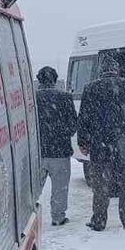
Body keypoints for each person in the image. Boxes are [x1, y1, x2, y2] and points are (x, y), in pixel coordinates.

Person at [77, 53, 125, 231]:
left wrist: (83, 141)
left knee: (101, 188)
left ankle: (99, 221)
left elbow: (83, 117)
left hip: (100, 147)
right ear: (117, 70)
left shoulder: (90, 89)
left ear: (101, 71)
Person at [35, 66, 80, 225]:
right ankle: (58, 217)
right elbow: (73, 124)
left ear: (39, 80)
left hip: (37, 152)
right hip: (60, 151)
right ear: (55, 80)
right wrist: (63, 133)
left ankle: (28, 216)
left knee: (32, 189)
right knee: (60, 187)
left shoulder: (32, 98)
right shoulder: (65, 97)